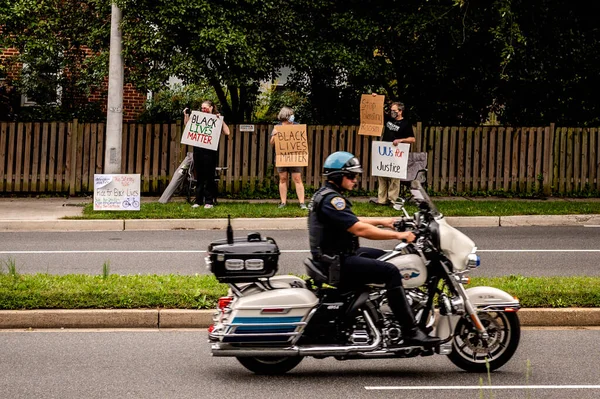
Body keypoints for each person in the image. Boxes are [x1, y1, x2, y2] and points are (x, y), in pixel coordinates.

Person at [308, 151, 441, 347]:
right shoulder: (332, 200)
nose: (355, 180)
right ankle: (411, 331)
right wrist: (399, 235)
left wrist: (385, 221)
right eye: (351, 176)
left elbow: (352, 220)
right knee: (391, 272)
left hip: (337, 257)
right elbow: (359, 229)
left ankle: (378, 310)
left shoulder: (328, 196)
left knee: (388, 257)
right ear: (338, 176)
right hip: (337, 262)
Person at [183, 100, 230, 209]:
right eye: (202, 108)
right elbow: (187, 126)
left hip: (210, 152)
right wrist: (186, 115)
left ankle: (209, 201)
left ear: (212, 107)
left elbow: (227, 132)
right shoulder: (198, 118)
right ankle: (198, 201)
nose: (203, 110)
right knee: (199, 176)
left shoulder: (216, 119)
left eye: (205, 108)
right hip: (198, 151)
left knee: (209, 177)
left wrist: (221, 120)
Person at [372, 100, 415, 206]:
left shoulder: (406, 124)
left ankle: (392, 200)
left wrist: (400, 140)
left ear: (400, 111)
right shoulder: (388, 119)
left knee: (394, 177)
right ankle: (382, 200)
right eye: (391, 110)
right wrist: (374, 99)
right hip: (384, 152)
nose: (392, 112)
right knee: (381, 175)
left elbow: (412, 139)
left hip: (396, 154)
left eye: (394, 110)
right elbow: (379, 112)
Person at [270, 106, 307, 210]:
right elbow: (272, 143)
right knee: (283, 179)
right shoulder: (277, 127)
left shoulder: (297, 126)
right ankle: (283, 202)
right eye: (291, 114)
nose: (292, 116)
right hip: (282, 157)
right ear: (286, 116)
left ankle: (302, 203)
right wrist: (274, 135)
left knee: (297, 178)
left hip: (295, 157)